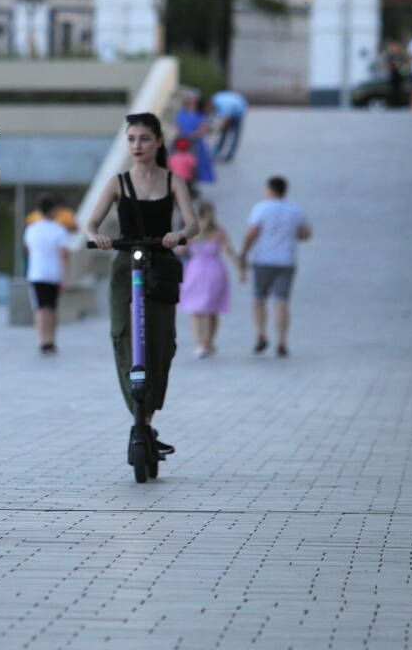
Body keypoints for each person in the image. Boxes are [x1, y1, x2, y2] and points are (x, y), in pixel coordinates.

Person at [85, 112, 199, 456]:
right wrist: (98, 237)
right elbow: (90, 222)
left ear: (158, 142)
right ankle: (139, 418)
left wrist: (179, 234)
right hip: (126, 265)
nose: (137, 146)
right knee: (124, 337)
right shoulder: (118, 182)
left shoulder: (172, 180)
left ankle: (147, 419)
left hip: (160, 264)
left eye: (144, 139)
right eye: (132, 139)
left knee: (161, 341)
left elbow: (193, 224)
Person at [238, 176, 311, 357]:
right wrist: (290, 235)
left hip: (263, 259)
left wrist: (244, 253)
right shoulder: (296, 209)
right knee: (282, 302)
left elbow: (252, 233)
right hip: (287, 260)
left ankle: (261, 334)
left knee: (259, 299)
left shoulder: (261, 208)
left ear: (270, 190)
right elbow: (306, 233)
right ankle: (282, 341)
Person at [177, 200, 237, 358]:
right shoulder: (218, 231)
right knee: (212, 310)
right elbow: (229, 251)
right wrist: (241, 269)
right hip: (215, 271)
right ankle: (208, 342)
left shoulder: (193, 231)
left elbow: (181, 251)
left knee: (196, 310)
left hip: (195, 271)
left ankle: (200, 344)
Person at [23, 196, 70, 354]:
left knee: (40, 308)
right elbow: (63, 255)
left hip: (36, 273)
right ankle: (51, 339)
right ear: (53, 210)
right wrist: (64, 277)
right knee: (52, 307)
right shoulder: (60, 230)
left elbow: (28, 251)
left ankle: (43, 340)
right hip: (54, 273)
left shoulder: (31, 229)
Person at [174, 92, 216, 184]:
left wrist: (191, 136)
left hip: (195, 143)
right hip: (182, 143)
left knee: (194, 165)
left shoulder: (201, 114)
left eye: (193, 100)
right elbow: (178, 127)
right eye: (189, 100)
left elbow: (202, 129)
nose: (191, 102)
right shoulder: (182, 113)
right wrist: (181, 137)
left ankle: (192, 185)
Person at [211, 89, 248, 162]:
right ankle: (216, 152)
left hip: (238, 113)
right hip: (236, 103)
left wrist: (219, 128)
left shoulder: (224, 105)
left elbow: (226, 119)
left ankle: (229, 155)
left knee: (233, 135)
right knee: (224, 133)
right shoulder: (215, 99)